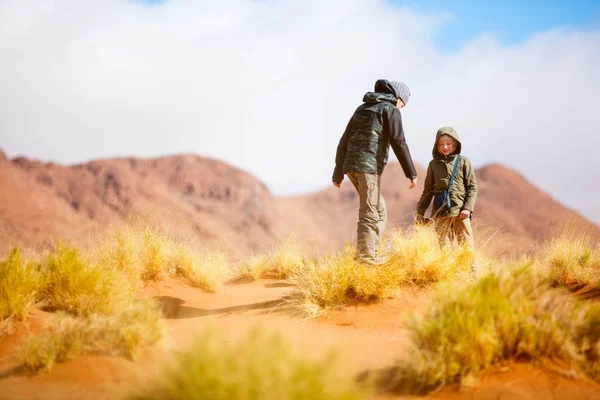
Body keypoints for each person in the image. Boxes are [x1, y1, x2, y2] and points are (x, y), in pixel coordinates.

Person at [332, 79, 418, 264]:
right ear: (398, 98)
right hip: (368, 167)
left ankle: (371, 252)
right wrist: (411, 173)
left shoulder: (362, 109)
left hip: (351, 166)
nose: (401, 108)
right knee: (370, 212)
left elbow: (343, 140)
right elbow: (398, 141)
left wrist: (338, 172)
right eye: (403, 104)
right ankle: (366, 258)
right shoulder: (390, 110)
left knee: (379, 209)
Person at [415, 127, 478, 271]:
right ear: (436, 146)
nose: (445, 147)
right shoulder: (433, 165)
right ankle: (449, 279)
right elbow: (428, 191)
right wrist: (420, 212)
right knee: (444, 250)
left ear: (455, 144)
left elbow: (472, 188)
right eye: (441, 144)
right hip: (441, 213)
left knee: (466, 248)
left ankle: (471, 278)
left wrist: (467, 208)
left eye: (448, 144)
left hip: (460, 213)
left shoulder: (463, 162)